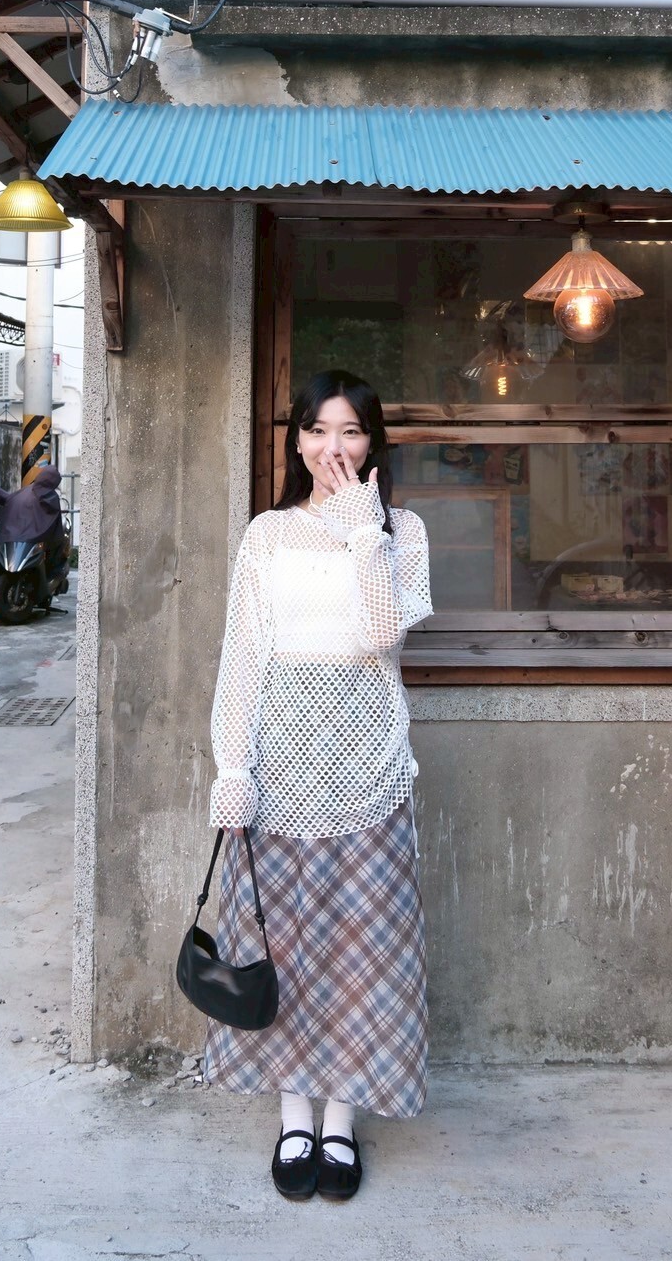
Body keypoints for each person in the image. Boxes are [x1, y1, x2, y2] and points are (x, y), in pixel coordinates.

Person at [203, 369, 433, 1202]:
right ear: (296, 439)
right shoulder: (266, 534)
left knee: (359, 952)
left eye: (350, 431)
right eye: (317, 429)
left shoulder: (400, 529)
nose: (332, 446)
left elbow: (380, 633)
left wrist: (361, 527)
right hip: (279, 769)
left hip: (369, 768)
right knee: (281, 950)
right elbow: (243, 653)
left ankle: (340, 1119)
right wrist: (233, 768)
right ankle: (292, 1115)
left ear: (372, 443)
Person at [0, 464, 64, 548]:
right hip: (30, 542)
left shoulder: (24, 492)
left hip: (8, 537)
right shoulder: (51, 497)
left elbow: (8, 498)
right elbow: (57, 531)